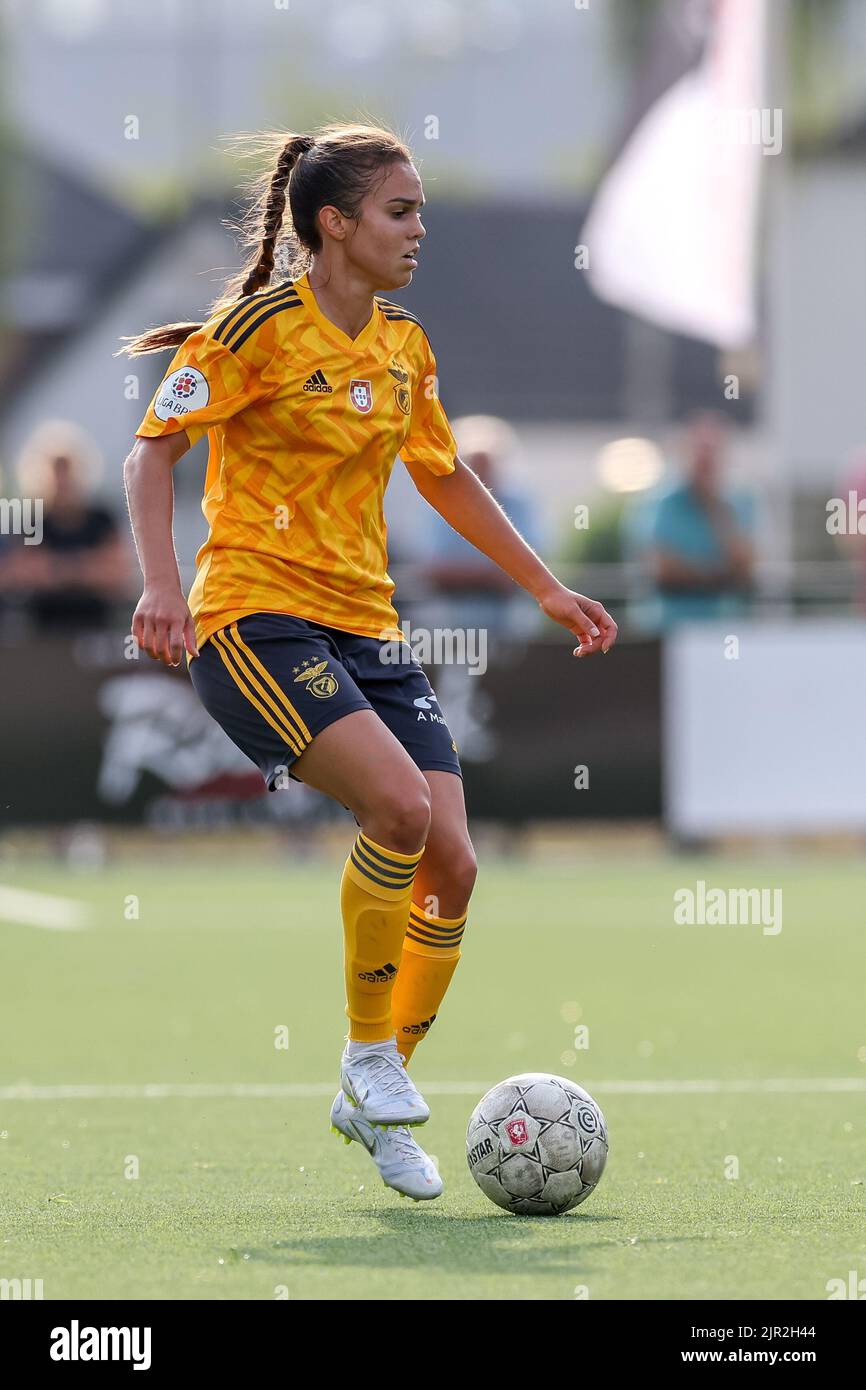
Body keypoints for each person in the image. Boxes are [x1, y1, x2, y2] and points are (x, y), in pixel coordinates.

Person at [118, 122, 617, 1203]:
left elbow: (443, 478)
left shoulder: (402, 346)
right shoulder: (254, 330)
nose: (418, 229)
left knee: (454, 867)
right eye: (400, 211)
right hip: (255, 621)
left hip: (367, 629)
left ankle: (373, 1098)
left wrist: (543, 584)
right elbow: (150, 455)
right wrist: (159, 585)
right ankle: (366, 1055)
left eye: (421, 209)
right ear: (333, 225)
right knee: (397, 812)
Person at [626, 412, 754, 632]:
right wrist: (717, 576)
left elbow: (745, 567)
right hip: (667, 630)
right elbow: (661, 568)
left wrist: (714, 507)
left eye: (712, 453)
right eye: (699, 452)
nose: (705, 461)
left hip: (726, 629)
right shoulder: (659, 502)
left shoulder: (741, 501)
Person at [0, 423, 132, 632]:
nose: (62, 480)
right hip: (43, 632)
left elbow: (116, 575)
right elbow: (24, 573)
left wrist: (58, 569)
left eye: (67, 470)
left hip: (96, 627)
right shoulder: (33, 518)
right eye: (56, 471)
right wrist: (86, 567)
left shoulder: (101, 518)